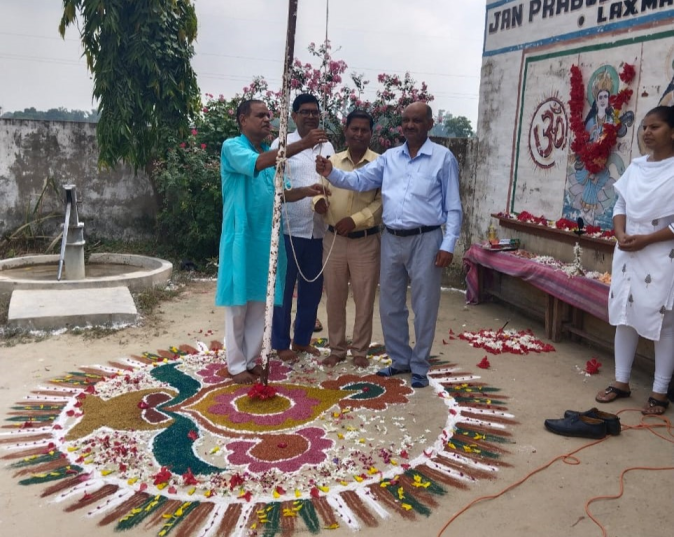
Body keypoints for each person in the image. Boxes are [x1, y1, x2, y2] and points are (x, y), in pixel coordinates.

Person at [316, 102, 462, 388]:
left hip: (427, 239)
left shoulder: (443, 158)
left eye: (417, 121)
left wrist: (448, 244)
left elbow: (454, 207)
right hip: (392, 239)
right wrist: (331, 172)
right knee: (390, 305)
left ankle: (419, 365)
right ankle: (400, 360)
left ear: (429, 124)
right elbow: (358, 180)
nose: (409, 125)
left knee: (424, 305)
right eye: (406, 120)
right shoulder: (390, 158)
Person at [216, 99, 329, 384]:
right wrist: (302, 144)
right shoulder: (233, 147)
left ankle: (252, 358)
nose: (267, 120)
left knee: (259, 303)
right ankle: (235, 364)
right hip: (242, 237)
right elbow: (257, 164)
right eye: (260, 115)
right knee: (238, 303)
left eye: (269, 115)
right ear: (243, 119)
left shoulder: (269, 152)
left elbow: (283, 193)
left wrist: (305, 190)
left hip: (267, 239)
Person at [596, 105, 674, 415]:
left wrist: (646, 240)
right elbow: (620, 204)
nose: (646, 132)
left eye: (654, 127)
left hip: (661, 252)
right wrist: (620, 234)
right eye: (644, 127)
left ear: (672, 132)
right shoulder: (638, 167)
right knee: (624, 317)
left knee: (663, 322)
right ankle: (621, 381)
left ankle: (659, 391)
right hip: (628, 249)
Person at [314, 110, 382, 368]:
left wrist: (356, 220)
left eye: (364, 129)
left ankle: (360, 351)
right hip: (333, 241)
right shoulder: (331, 161)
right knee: (334, 297)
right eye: (354, 129)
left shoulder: (380, 163)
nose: (359, 134)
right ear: (346, 131)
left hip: (365, 241)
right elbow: (318, 189)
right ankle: (337, 348)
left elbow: (382, 202)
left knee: (364, 298)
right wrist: (319, 202)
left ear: (371, 133)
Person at [271, 94, 335, 361]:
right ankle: (281, 342)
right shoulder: (281, 144)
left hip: (317, 230)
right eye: (305, 112)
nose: (311, 116)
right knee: (284, 290)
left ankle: (302, 340)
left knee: (312, 289)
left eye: (315, 112)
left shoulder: (328, 147)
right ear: (294, 116)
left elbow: (332, 182)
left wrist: (323, 199)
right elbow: (277, 186)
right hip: (289, 228)